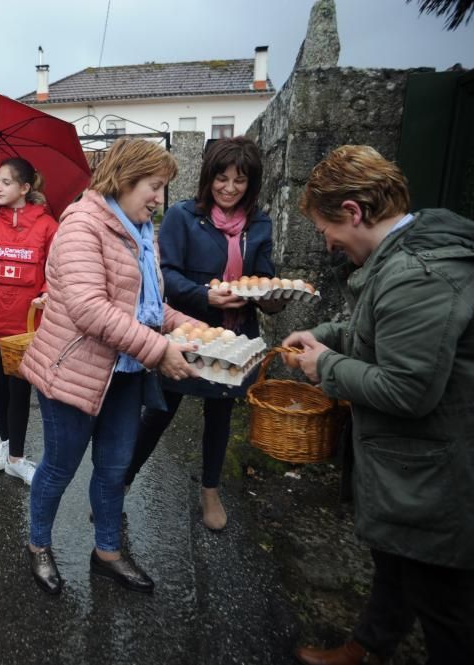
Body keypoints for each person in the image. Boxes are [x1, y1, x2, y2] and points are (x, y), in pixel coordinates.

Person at [283, 145, 474, 664]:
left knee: (444, 606)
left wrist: (325, 367)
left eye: (328, 230)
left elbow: (408, 388)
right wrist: (324, 334)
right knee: (397, 560)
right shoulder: (400, 257)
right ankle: (368, 647)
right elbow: (378, 333)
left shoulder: (418, 274)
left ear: (354, 211)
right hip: (412, 468)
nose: (329, 243)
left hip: (435, 470)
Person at [19, 138, 203, 596]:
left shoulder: (142, 233)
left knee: (115, 466)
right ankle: (38, 545)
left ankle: (106, 553)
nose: (160, 198)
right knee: (60, 467)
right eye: (154, 186)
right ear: (123, 180)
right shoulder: (82, 226)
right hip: (73, 371)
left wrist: (195, 329)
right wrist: (159, 351)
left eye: (163, 188)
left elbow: (149, 308)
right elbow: (89, 308)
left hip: (125, 371)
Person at [123, 137, 284, 531]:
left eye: (240, 181)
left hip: (235, 339)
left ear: (252, 183)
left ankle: (210, 490)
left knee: (220, 415)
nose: (229, 188)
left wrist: (270, 297)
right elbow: (168, 278)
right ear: (208, 177)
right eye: (222, 178)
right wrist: (206, 296)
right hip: (188, 333)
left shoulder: (259, 223)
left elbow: (263, 275)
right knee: (159, 412)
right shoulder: (182, 217)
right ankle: (121, 482)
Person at [0, 157, 59, 485]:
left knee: (20, 390)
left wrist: (47, 292)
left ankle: (16, 458)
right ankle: (7, 445)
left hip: (26, 325)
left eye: (6, 183)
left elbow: (55, 269)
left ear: (25, 187)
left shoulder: (48, 226)